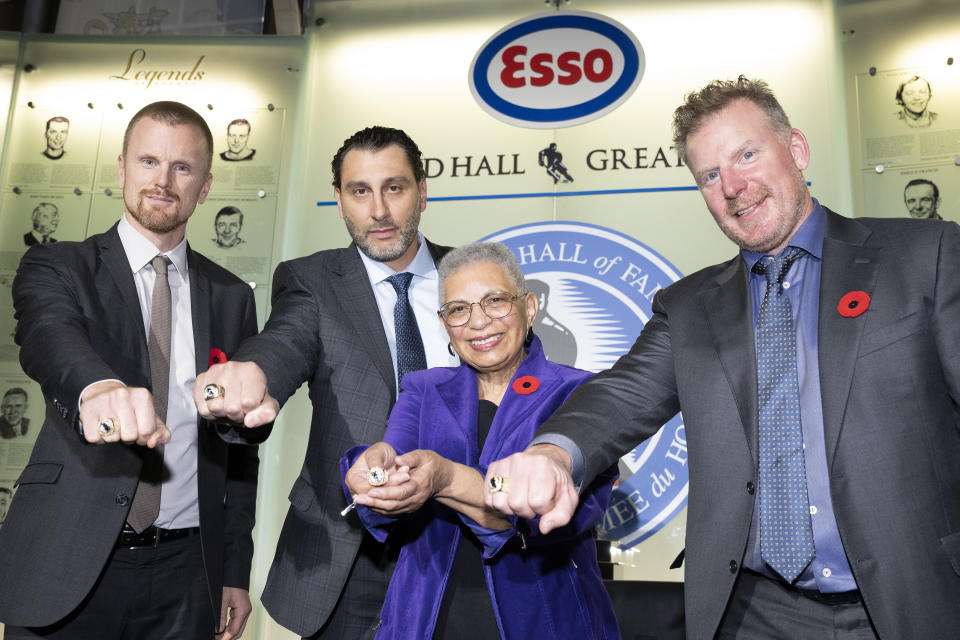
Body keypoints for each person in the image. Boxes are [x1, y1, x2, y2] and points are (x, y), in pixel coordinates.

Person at [484, 76, 960, 639]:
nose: (733, 186)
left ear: (798, 149)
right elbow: (620, 395)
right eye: (710, 175)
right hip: (755, 612)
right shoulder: (689, 307)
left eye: (747, 155)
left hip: (909, 599)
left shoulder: (923, 257)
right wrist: (554, 453)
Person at [0, 101, 263, 640]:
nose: (162, 181)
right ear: (121, 168)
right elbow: (51, 337)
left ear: (205, 186)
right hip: (66, 561)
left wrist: (234, 570)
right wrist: (98, 386)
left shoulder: (232, 297)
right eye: (148, 162)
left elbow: (239, 453)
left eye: (182, 168)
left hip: (189, 572)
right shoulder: (60, 266)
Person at [194, 125, 456, 638]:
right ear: (339, 201)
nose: (378, 211)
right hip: (351, 552)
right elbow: (285, 341)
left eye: (395, 188)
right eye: (360, 191)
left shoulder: (472, 275)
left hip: (461, 540)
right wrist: (255, 375)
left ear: (423, 190)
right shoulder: (311, 281)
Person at [342, 242, 619, 639]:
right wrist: (374, 470)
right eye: (459, 309)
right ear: (444, 324)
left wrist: (446, 479)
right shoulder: (423, 388)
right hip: (426, 620)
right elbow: (392, 461)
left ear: (529, 307)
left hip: (547, 620)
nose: (478, 322)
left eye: (495, 301)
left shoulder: (580, 393)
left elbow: (558, 520)